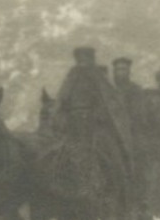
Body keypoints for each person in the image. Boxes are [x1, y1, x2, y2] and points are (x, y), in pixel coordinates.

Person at [53, 46, 134, 194]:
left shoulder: (97, 77)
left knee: (115, 154)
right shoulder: (72, 76)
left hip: (95, 125)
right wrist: (62, 118)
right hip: (74, 125)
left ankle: (120, 191)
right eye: (80, 60)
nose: (83, 64)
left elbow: (110, 103)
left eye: (86, 60)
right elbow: (62, 101)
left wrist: (99, 115)